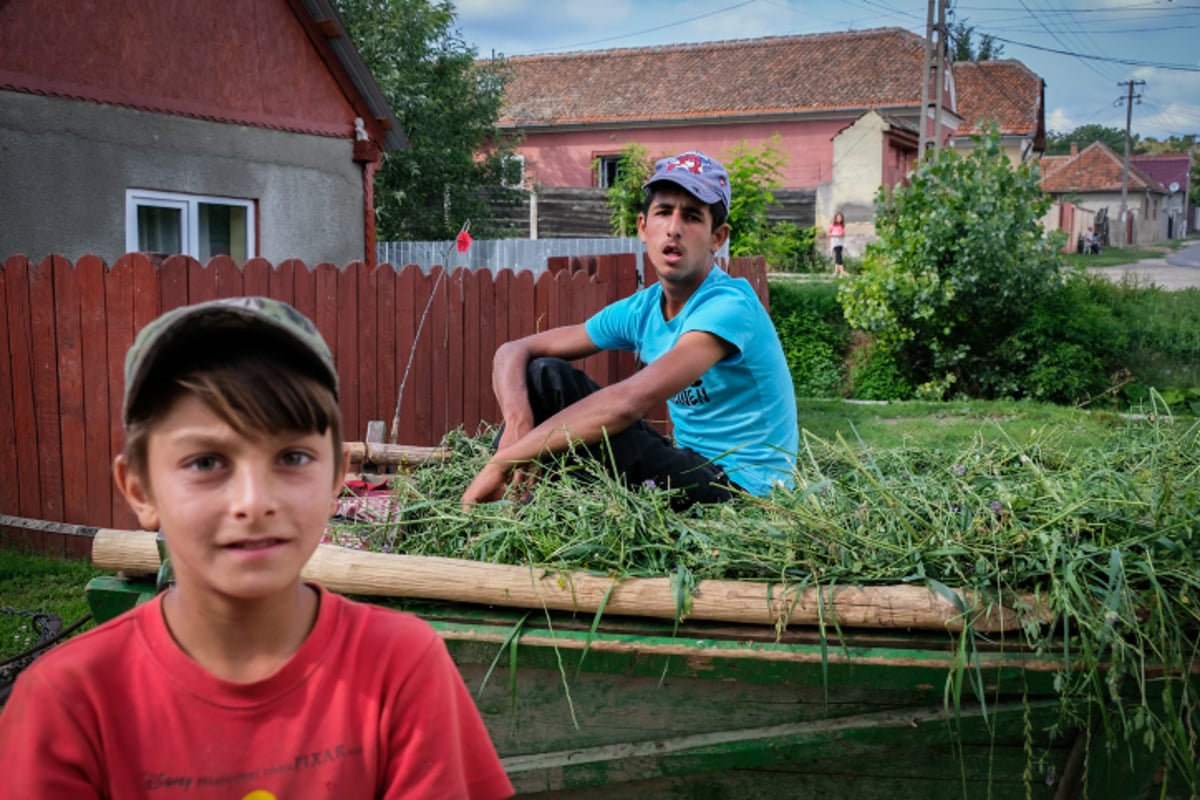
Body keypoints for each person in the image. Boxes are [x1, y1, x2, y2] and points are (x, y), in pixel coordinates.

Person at [0, 297, 514, 800]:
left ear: (337, 476)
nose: (254, 501)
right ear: (139, 488)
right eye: (206, 462)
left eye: (291, 456)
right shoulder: (67, 705)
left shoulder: (401, 668)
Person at [462, 150, 798, 510]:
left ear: (718, 237)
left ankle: (502, 495)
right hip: (689, 464)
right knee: (545, 375)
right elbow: (513, 350)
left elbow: (627, 404)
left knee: (588, 418)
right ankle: (510, 501)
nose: (674, 228)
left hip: (742, 490)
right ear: (643, 227)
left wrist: (505, 458)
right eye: (664, 212)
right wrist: (517, 422)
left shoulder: (730, 306)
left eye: (692, 217)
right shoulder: (643, 308)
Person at [829, 211, 847, 276]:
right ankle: (842, 271)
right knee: (838, 255)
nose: (839, 219)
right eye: (838, 217)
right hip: (835, 242)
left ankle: (836, 272)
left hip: (840, 242)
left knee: (838, 256)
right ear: (836, 218)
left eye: (840, 218)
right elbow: (829, 234)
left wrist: (841, 234)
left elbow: (844, 234)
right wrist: (835, 235)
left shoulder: (842, 225)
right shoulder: (832, 225)